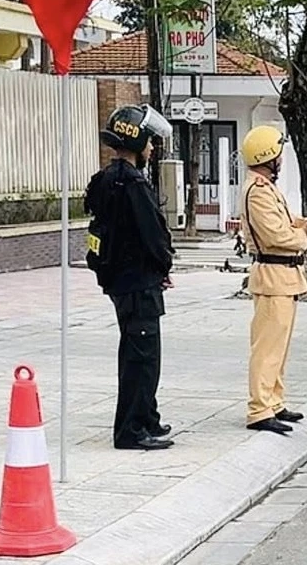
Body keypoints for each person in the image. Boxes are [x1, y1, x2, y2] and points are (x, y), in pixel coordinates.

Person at [86, 104, 177, 451]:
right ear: (136, 139)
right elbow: (152, 235)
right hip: (137, 284)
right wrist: (164, 267)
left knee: (141, 353)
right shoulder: (133, 183)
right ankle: (131, 430)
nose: (152, 148)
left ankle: (147, 418)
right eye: (150, 141)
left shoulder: (106, 178)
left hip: (122, 281)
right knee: (141, 358)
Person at [240, 125, 307, 434]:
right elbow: (276, 234)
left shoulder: (267, 188)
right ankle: (259, 409)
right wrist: (304, 235)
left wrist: (304, 223)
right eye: (278, 153)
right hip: (272, 274)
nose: (281, 159)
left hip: (285, 276)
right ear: (268, 156)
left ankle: (274, 401)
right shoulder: (257, 192)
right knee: (267, 347)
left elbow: (285, 222)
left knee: (280, 346)